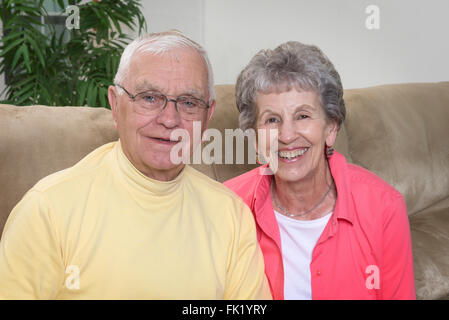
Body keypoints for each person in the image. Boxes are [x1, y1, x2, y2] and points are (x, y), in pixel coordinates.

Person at [0, 30, 271, 300]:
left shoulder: (231, 214)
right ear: (115, 104)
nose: (169, 119)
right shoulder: (47, 209)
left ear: (208, 115)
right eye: (150, 98)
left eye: (188, 103)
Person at [224, 41, 415, 300]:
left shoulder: (384, 207)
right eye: (272, 120)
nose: (287, 136)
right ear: (255, 138)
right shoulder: (228, 207)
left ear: (331, 128)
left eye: (303, 116)